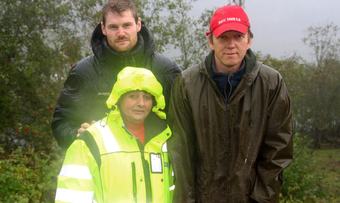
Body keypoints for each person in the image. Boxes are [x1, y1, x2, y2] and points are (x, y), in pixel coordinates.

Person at [168, 5, 293, 203]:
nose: (231, 44)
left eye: (238, 36)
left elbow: (277, 152)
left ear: (249, 39)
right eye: (223, 37)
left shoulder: (271, 83)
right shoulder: (186, 84)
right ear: (210, 41)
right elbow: (180, 152)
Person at [52, 0, 180, 149]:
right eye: (113, 27)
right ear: (103, 28)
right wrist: (77, 136)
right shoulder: (84, 72)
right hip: (104, 167)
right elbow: (61, 122)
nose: (121, 33)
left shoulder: (165, 70)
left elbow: (184, 122)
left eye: (127, 25)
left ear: (138, 25)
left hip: (155, 168)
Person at [55, 67, 174, 203]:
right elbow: (71, 197)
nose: (141, 103)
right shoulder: (90, 141)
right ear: (119, 99)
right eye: (133, 96)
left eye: (146, 97)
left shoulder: (168, 138)